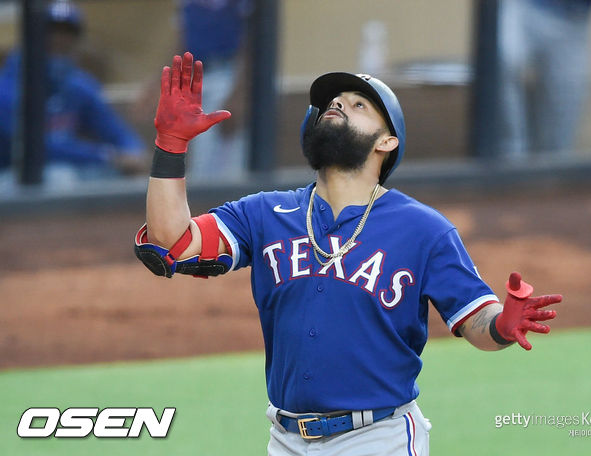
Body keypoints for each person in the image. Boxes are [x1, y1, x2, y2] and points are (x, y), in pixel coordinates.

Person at [135, 52, 563, 455]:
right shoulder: (264, 213)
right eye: (333, 102)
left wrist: (503, 327)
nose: (338, 104)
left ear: (387, 142)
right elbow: (172, 242)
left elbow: (476, 323)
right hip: (285, 439)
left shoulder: (423, 230)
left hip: (378, 439)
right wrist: (170, 144)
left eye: (359, 105)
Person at [0, 0, 146, 188]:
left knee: (134, 180)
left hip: (65, 171)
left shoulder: (77, 84)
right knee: (62, 178)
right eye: (51, 33)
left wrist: (133, 151)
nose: (59, 39)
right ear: (33, 37)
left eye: (66, 34)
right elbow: (37, 149)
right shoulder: (8, 88)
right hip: (11, 178)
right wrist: (107, 156)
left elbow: (116, 130)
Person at [497, 0, 591, 160]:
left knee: (558, 146)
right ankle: (511, 156)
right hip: (521, 7)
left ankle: (541, 175)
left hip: (574, 20)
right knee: (501, 60)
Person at [178, 0, 252, 181]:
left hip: (227, 76)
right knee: (200, 169)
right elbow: (182, 40)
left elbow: (253, 43)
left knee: (229, 169)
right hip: (196, 80)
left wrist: (239, 93)